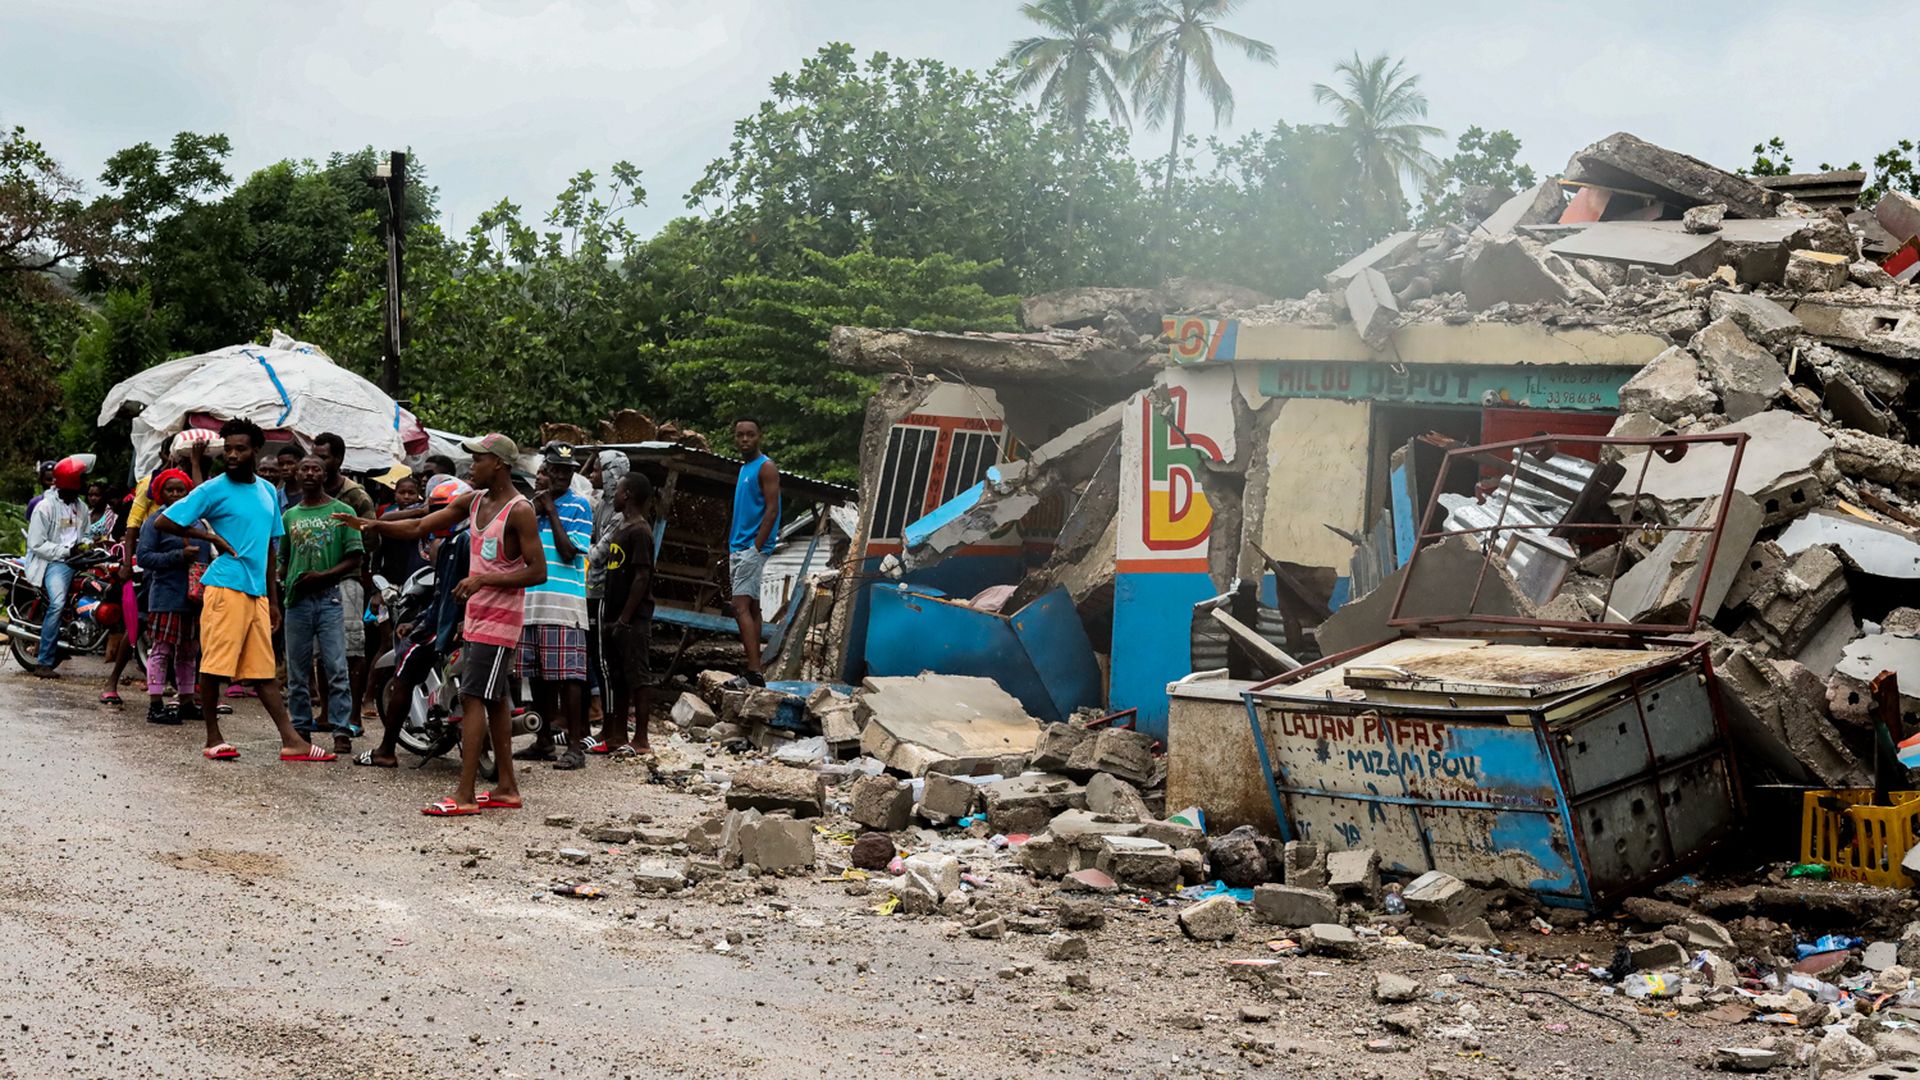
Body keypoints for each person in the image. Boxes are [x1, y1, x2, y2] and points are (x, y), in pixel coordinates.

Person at [337, 433, 546, 814]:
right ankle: (506, 788)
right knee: (495, 701)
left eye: (479, 460)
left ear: (498, 463)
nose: (471, 467)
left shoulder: (519, 510)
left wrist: (483, 580)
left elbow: (537, 571)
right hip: (478, 618)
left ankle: (465, 795)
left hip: (499, 622)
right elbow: (421, 525)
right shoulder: (476, 501)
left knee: (472, 699)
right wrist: (372, 525)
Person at [154, 417, 335, 763]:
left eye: (240, 449)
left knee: (262, 671)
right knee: (215, 666)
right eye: (229, 449)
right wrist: (210, 536)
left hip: (256, 594)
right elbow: (163, 520)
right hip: (224, 587)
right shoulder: (213, 489)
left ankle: (292, 742)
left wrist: (274, 601)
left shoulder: (268, 491)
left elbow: (268, 549)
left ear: (255, 451)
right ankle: (213, 737)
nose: (233, 455)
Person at [357, 478, 469, 769]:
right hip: (449, 618)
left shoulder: (458, 542)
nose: (436, 515)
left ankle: (385, 749)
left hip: (450, 623)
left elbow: (450, 596)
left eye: (442, 509)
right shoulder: (460, 539)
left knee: (404, 673)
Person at [512, 446, 594, 767]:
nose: (561, 475)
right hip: (531, 600)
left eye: (567, 470)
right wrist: (539, 509)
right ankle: (543, 740)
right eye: (555, 469)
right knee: (539, 676)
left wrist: (551, 510)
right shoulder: (528, 508)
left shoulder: (580, 506)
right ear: (543, 470)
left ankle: (575, 748)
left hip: (564, 605)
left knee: (570, 677)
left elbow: (569, 551)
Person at [281, 456, 366, 755]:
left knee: (336, 666)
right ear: (296, 473)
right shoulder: (290, 516)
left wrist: (321, 577)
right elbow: (283, 558)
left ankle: (341, 729)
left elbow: (355, 558)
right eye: (304, 468)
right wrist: (286, 583)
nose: (309, 473)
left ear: (325, 473)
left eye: (315, 468)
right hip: (297, 600)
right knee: (297, 670)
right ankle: (301, 728)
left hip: (330, 597)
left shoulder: (343, 511)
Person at [310, 432, 377, 726]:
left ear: (338, 459)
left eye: (323, 457)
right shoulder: (309, 491)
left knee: (351, 650)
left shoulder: (355, 496)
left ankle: (352, 716)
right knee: (321, 652)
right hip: (314, 581)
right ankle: (326, 712)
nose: (317, 463)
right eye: (315, 456)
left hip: (347, 579)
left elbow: (372, 540)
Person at [136, 468, 209, 725]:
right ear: (160, 493)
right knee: (162, 650)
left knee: (189, 651)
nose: (176, 494)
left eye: (181, 490)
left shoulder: (198, 522)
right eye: (170, 489)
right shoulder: (155, 522)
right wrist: (178, 556)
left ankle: (187, 700)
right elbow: (144, 558)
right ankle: (155, 704)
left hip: (194, 599)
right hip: (166, 596)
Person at [599, 472, 656, 756]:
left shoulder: (641, 531)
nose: (615, 496)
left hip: (632, 620)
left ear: (628, 495)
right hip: (614, 615)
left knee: (638, 678)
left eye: (619, 491)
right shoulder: (623, 527)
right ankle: (618, 734)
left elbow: (641, 577)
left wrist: (625, 618)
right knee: (619, 676)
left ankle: (641, 738)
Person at [24, 456, 92, 678]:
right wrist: (66, 552)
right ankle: (43, 661)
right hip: (54, 563)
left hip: (78, 561)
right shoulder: (44, 508)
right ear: (71, 482)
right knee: (58, 603)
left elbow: (87, 534)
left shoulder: (81, 507)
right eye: (81, 479)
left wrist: (88, 546)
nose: (85, 484)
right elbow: (36, 544)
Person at [727, 418, 781, 686]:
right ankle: (755, 670)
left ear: (760, 436)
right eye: (740, 435)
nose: (745, 439)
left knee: (739, 607)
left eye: (750, 435)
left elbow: (772, 509)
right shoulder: (744, 469)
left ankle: (753, 672)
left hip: (751, 548)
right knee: (753, 607)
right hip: (738, 546)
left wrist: (755, 548)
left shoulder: (766, 467)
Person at [583, 450, 630, 740]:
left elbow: (598, 554)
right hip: (592, 589)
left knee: (604, 662)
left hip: (604, 593)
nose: (593, 474)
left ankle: (609, 729)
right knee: (595, 658)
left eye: (598, 469)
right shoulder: (601, 504)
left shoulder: (619, 515)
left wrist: (576, 548)